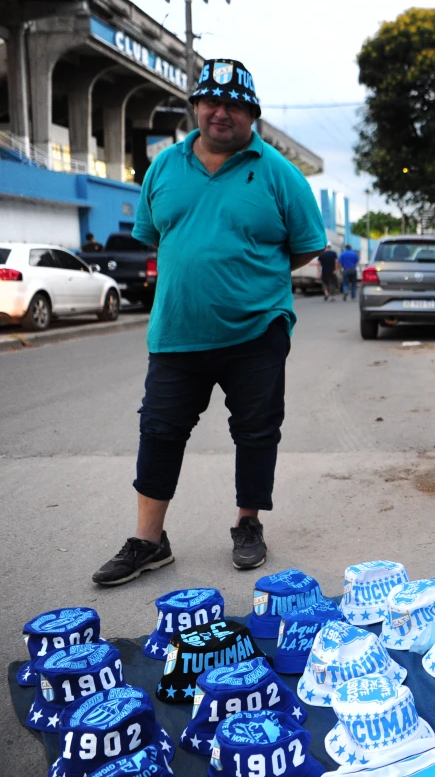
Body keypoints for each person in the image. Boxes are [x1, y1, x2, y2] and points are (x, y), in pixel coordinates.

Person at [91, 58, 326, 586]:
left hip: (257, 331)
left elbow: (307, 247)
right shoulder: (164, 168)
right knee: (159, 429)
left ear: (252, 114)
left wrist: (252, 276)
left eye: (234, 105)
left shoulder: (278, 174)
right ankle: (149, 542)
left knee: (256, 431)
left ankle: (248, 524)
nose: (221, 113)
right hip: (177, 331)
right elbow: (155, 236)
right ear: (195, 106)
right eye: (211, 102)